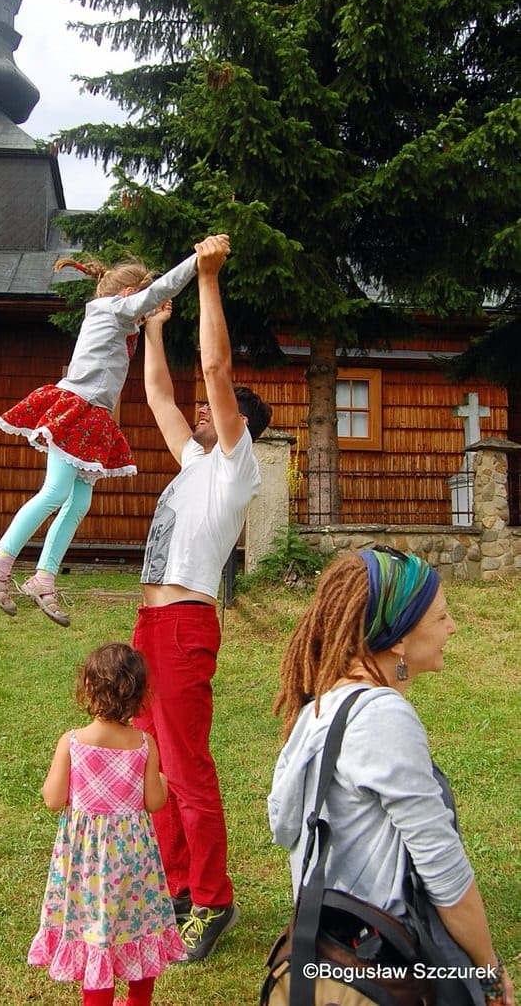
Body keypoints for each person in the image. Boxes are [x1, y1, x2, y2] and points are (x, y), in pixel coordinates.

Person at [268, 547, 515, 1006]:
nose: (453, 627)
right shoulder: (383, 717)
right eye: (441, 617)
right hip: (382, 968)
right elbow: (445, 874)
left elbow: (283, 827)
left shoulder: (322, 706)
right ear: (399, 638)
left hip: (331, 955)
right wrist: (489, 972)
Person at [131, 233, 272, 962]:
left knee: (187, 769)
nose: (200, 407)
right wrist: (155, 323)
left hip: (185, 624)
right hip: (150, 625)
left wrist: (208, 279)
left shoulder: (232, 466)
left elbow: (215, 365)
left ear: (237, 422)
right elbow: (158, 393)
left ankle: (214, 901)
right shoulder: (193, 464)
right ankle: (177, 885)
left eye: (214, 407)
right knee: (155, 764)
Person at [0, 248, 198, 625]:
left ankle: (43, 577)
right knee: (55, 491)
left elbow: (143, 318)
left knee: (78, 502)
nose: (144, 313)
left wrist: (154, 322)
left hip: (95, 419)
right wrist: (198, 261)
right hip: (76, 409)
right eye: (141, 303)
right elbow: (159, 292)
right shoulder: (111, 309)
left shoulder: (121, 322)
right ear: (129, 294)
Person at [28, 642, 186, 1006]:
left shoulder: (72, 743)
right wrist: (160, 783)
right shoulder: (144, 744)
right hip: (134, 863)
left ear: (86, 686)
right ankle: (137, 1002)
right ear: (140, 695)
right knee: (138, 927)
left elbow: (52, 799)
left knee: (97, 932)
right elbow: (155, 803)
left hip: (89, 866)